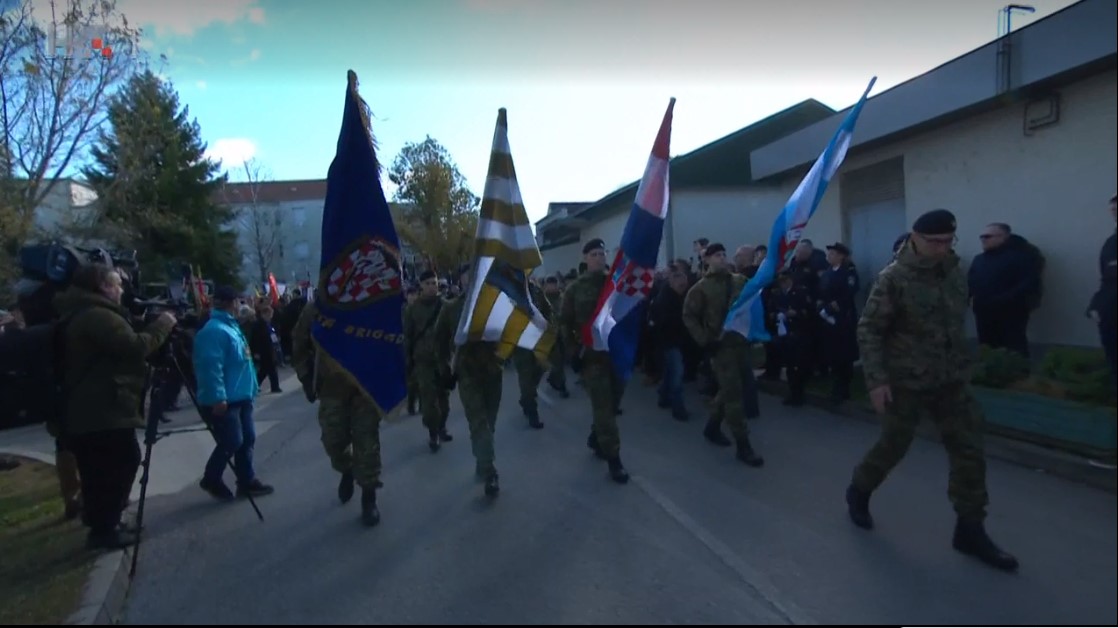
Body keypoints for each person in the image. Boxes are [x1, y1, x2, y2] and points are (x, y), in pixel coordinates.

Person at [847, 209, 1018, 573]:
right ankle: (860, 490)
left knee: (970, 449)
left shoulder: (954, 273)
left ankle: (970, 529)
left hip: (951, 380)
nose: (941, 248)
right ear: (915, 237)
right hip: (906, 382)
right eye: (934, 241)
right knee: (894, 444)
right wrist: (877, 381)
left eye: (947, 241)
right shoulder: (893, 278)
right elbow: (870, 330)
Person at [54, 263, 175, 549]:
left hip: (94, 407)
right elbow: (133, 347)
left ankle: (106, 522)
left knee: (103, 468)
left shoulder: (83, 312)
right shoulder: (97, 316)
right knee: (119, 463)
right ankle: (104, 528)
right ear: (103, 288)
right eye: (116, 284)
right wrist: (163, 325)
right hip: (101, 409)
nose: (121, 289)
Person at [194, 286, 274, 501]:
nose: (242, 306)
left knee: (247, 439)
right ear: (231, 304)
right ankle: (211, 477)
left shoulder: (231, 327)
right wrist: (218, 396)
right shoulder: (214, 330)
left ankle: (246, 481)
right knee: (232, 440)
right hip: (226, 399)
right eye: (239, 302)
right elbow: (211, 367)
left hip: (241, 395)